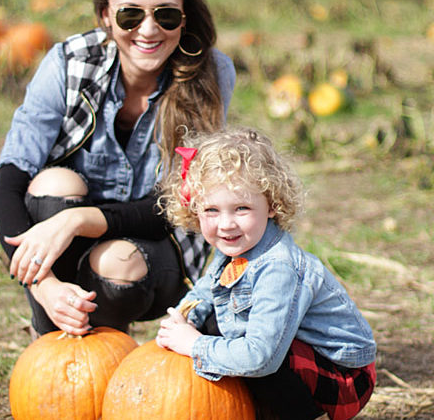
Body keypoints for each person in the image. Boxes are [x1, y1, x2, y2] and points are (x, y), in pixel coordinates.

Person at [0, 0, 236, 338]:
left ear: (185, 18)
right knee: (52, 182)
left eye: (166, 14)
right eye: (131, 15)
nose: (149, 29)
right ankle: (53, 336)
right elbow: (8, 186)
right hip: (61, 256)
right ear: (106, 15)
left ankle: (107, 350)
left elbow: (172, 205)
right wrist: (46, 289)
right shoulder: (69, 63)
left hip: (151, 251)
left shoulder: (209, 74)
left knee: (115, 262)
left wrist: (77, 221)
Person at [155, 127, 377, 420]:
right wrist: (181, 321)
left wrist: (194, 344)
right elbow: (204, 293)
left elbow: (262, 357)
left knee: (237, 346)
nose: (226, 224)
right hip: (286, 353)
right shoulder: (231, 250)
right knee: (214, 323)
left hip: (341, 376)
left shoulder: (278, 268)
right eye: (211, 210)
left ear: (271, 205)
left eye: (241, 208)